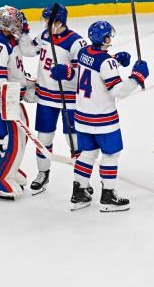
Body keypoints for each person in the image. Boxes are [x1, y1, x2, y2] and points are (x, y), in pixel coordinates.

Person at [53, 21, 148, 211]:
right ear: (104, 38)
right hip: (103, 118)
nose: (111, 38)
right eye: (109, 35)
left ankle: (79, 192)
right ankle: (108, 196)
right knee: (111, 155)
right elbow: (118, 91)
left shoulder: (84, 52)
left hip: (82, 116)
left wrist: (115, 59)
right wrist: (137, 77)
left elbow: (94, 67)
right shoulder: (107, 63)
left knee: (87, 154)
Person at [19, 4, 89, 195]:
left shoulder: (76, 43)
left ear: (59, 22)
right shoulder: (44, 36)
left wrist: (67, 72)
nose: (44, 24)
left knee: (73, 140)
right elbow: (28, 51)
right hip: (47, 98)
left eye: (47, 21)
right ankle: (43, 173)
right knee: (43, 138)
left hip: (70, 100)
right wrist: (24, 32)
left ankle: (81, 181)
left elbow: (84, 72)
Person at [0, 6, 36, 200]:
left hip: (7, 97)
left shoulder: (11, 39)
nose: (21, 25)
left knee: (18, 138)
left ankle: (8, 171)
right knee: (9, 139)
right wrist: (20, 89)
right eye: (18, 22)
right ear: (8, 24)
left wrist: (25, 83)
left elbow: (26, 56)